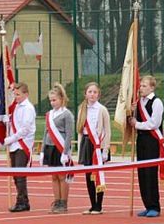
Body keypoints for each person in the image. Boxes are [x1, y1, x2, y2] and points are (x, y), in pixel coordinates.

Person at [128, 75, 164, 217]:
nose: (141, 88)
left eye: (144, 86)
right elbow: (132, 119)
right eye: (140, 86)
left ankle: (155, 206)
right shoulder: (138, 103)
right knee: (142, 173)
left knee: (150, 173)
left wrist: (137, 124)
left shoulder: (156, 102)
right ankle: (147, 205)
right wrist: (131, 112)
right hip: (141, 139)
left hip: (152, 140)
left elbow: (154, 123)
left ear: (152, 87)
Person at [76, 82, 111, 215]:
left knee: (98, 175)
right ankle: (92, 204)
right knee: (88, 176)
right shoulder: (82, 110)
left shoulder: (102, 110)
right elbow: (80, 131)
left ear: (99, 94)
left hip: (98, 145)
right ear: (85, 94)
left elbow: (107, 131)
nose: (92, 94)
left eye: (95, 92)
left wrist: (105, 149)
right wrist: (80, 149)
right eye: (90, 92)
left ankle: (99, 205)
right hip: (86, 143)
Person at [40, 83, 75, 213]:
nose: (52, 103)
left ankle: (63, 203)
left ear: (62, 99)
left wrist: (65, 152)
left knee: (62, 176)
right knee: (54, 176)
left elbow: (69, 134)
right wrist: (43, 150)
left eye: (54, 100)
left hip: (60, 148)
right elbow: (46, 132)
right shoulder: (49, 114)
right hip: (50, 147)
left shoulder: (67, 114)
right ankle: (56, 201)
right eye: (51, 100)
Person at [4, 82, 36, 212]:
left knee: (20, 174)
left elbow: (25, 129)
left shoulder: (28, 108)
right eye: (14, 94)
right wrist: (8, 121)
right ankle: (23, 200)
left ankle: (22, 201)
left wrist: (11, 138)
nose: (15, 97)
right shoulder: (16, 107)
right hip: (14, 144)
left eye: (18, 94)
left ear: (26, 94)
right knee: (15, 174)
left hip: (23, 144)